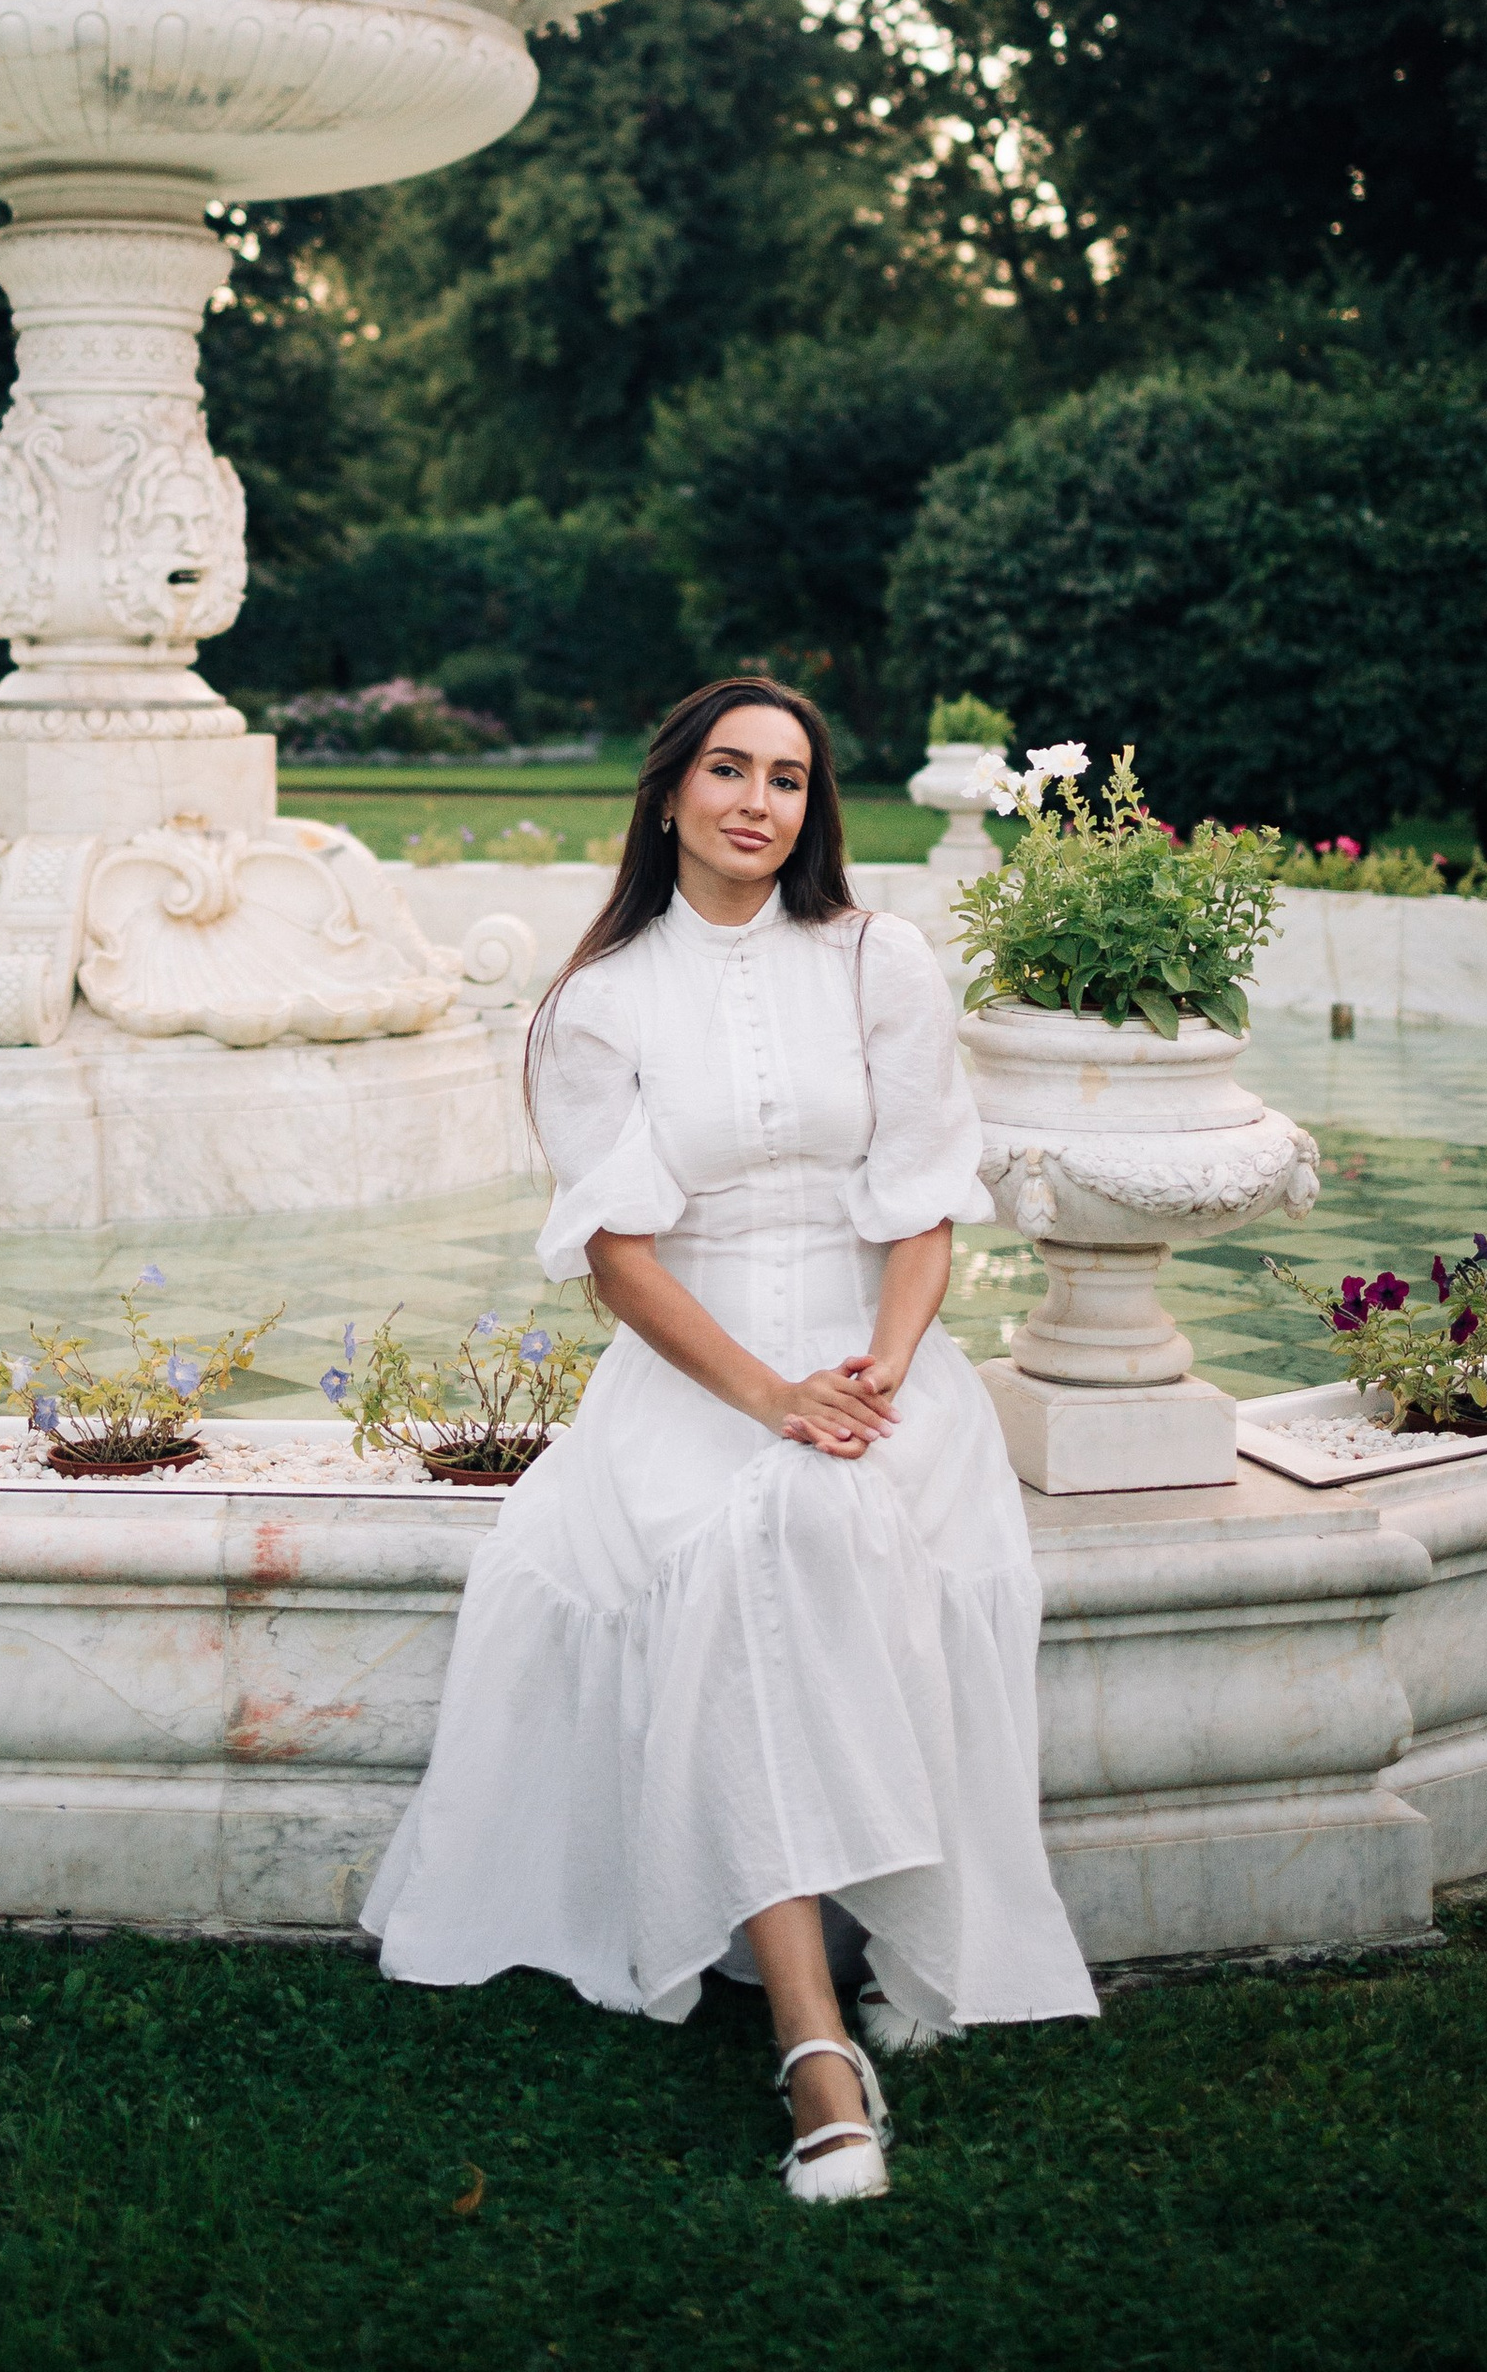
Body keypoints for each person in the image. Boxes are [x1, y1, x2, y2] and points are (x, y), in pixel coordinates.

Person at [362, 673, 1096, 2204]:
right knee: (757, 1531)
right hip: (696, 1373)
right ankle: (817, 2041)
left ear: (813, 808)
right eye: (728, 770)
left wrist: (877, 1375)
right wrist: (770, 1400)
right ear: (671, 791)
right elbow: (624, 1258)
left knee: (833, 1515)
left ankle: (885, 1957)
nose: (758, 801)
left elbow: (922, 1205)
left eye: (787, 778)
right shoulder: (597, 1004)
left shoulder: (878, 961)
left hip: (875, 1353)